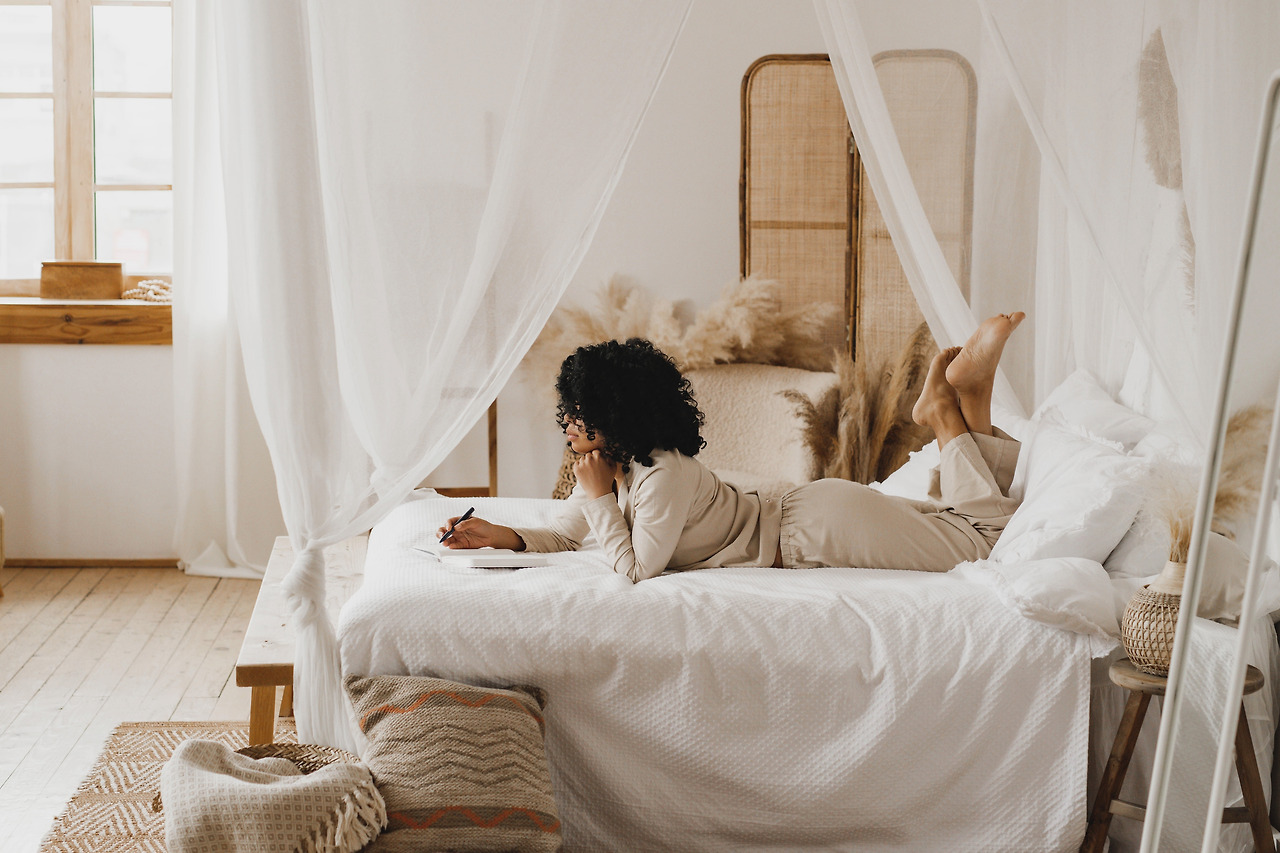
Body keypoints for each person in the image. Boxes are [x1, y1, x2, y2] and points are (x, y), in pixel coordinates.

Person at [437, 313, 1027, 582]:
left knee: (981, 544)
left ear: (615, 417)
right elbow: (567, 537)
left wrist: (595, 498)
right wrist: (498, 536)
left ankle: (944, 414)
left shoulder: (661, 472)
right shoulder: (616, 466)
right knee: (961, 528)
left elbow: (636, 569)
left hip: (816, 530)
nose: (565, 423)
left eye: (578, 412)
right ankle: (972, 400)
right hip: (813, 518)